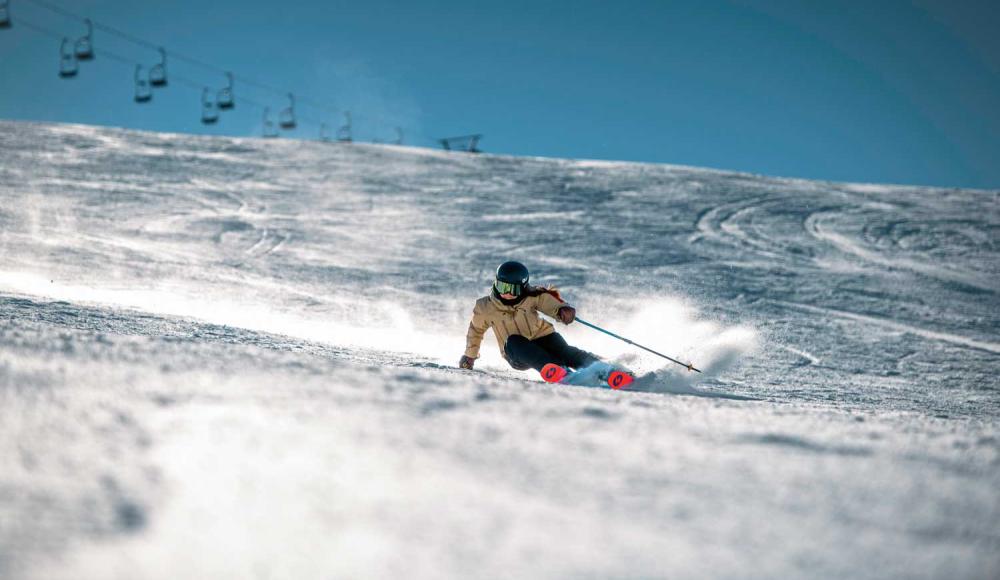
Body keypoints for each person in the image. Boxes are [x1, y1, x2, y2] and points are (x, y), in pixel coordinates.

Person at [459, 261, 602, 382]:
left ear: (522, 287)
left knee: (566, 352)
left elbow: (551, 304)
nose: (507, 293)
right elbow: (476, 331)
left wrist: (563, 310)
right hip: (517, 352)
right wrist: (470, 356)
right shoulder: (485, 307)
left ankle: (602, 368)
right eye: (503, 287)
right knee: (514, 340)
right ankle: (560, 371)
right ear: (496, 283)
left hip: (544, 338)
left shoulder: (532, 296)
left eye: (513, 289)